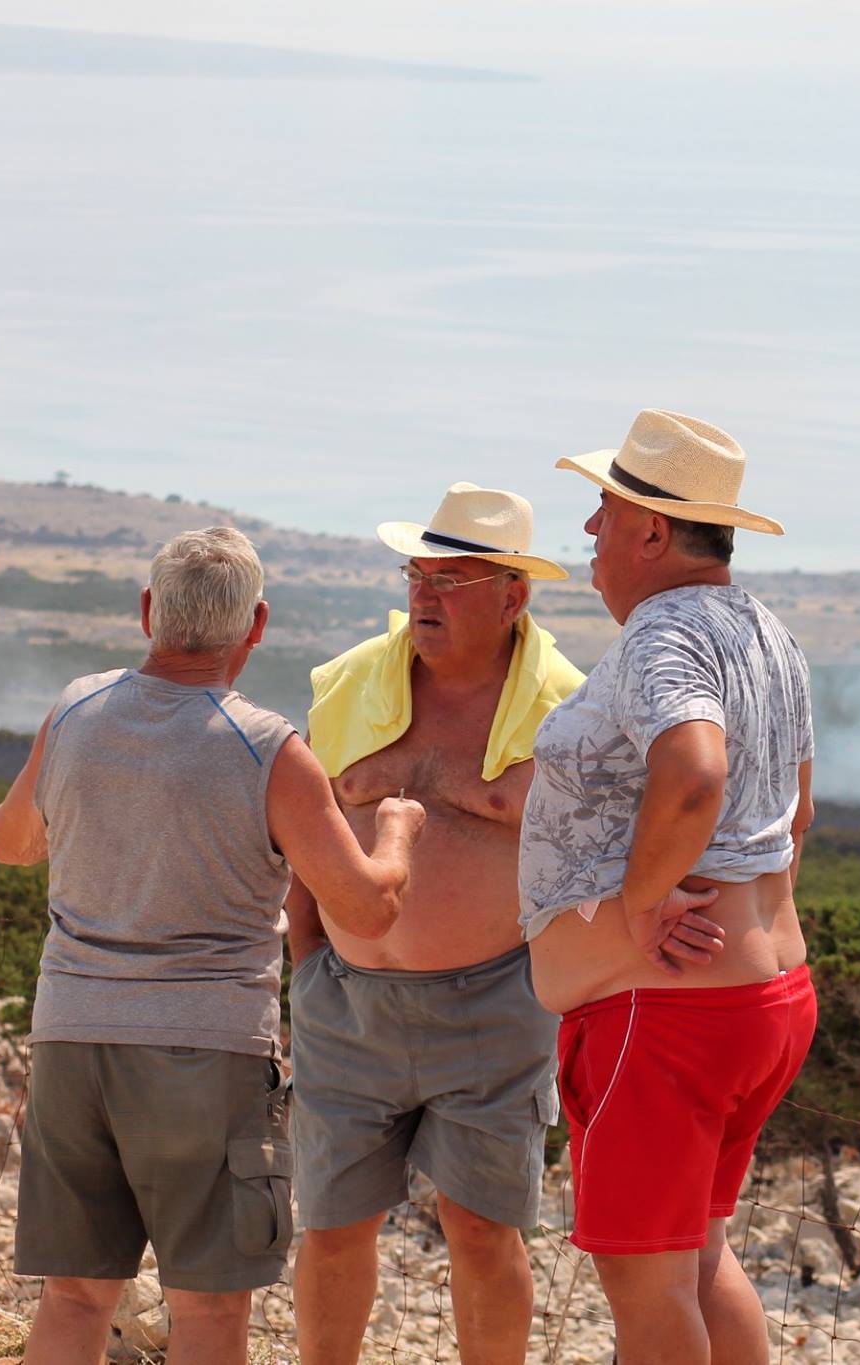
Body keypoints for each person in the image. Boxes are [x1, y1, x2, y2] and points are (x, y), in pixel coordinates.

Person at [0, 526, 423, 1365]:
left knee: (75, 1297)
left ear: (149, 611)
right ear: (255, 625)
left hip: (72, 1038)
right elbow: (367, 911)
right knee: (211, 1314)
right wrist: (399, 831)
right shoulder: (269, 748)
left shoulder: (75, 708)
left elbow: (11, 841)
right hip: (206, 1051)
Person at [519, 408, 817, 1365]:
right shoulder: (767, 632)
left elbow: (695, 772)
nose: (589, 534)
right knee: (695, 1260)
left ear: (653, 528)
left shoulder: (664, 632)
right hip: (760, 994)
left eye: (602, 510)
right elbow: (797, 813)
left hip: (665, 1014)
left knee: (648, 1293)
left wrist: (642, 905)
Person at [286, 483, 584, 1365]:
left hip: (494, 1006)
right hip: (346, 1006)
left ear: (512, 596)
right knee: (333, 1226)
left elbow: (600, 858)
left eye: (451, 579)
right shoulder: (347, 687)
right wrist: (308, 961)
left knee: (485, 1233)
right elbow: (305, 825)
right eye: (418, 573)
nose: (424, 594)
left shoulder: (565, 709)